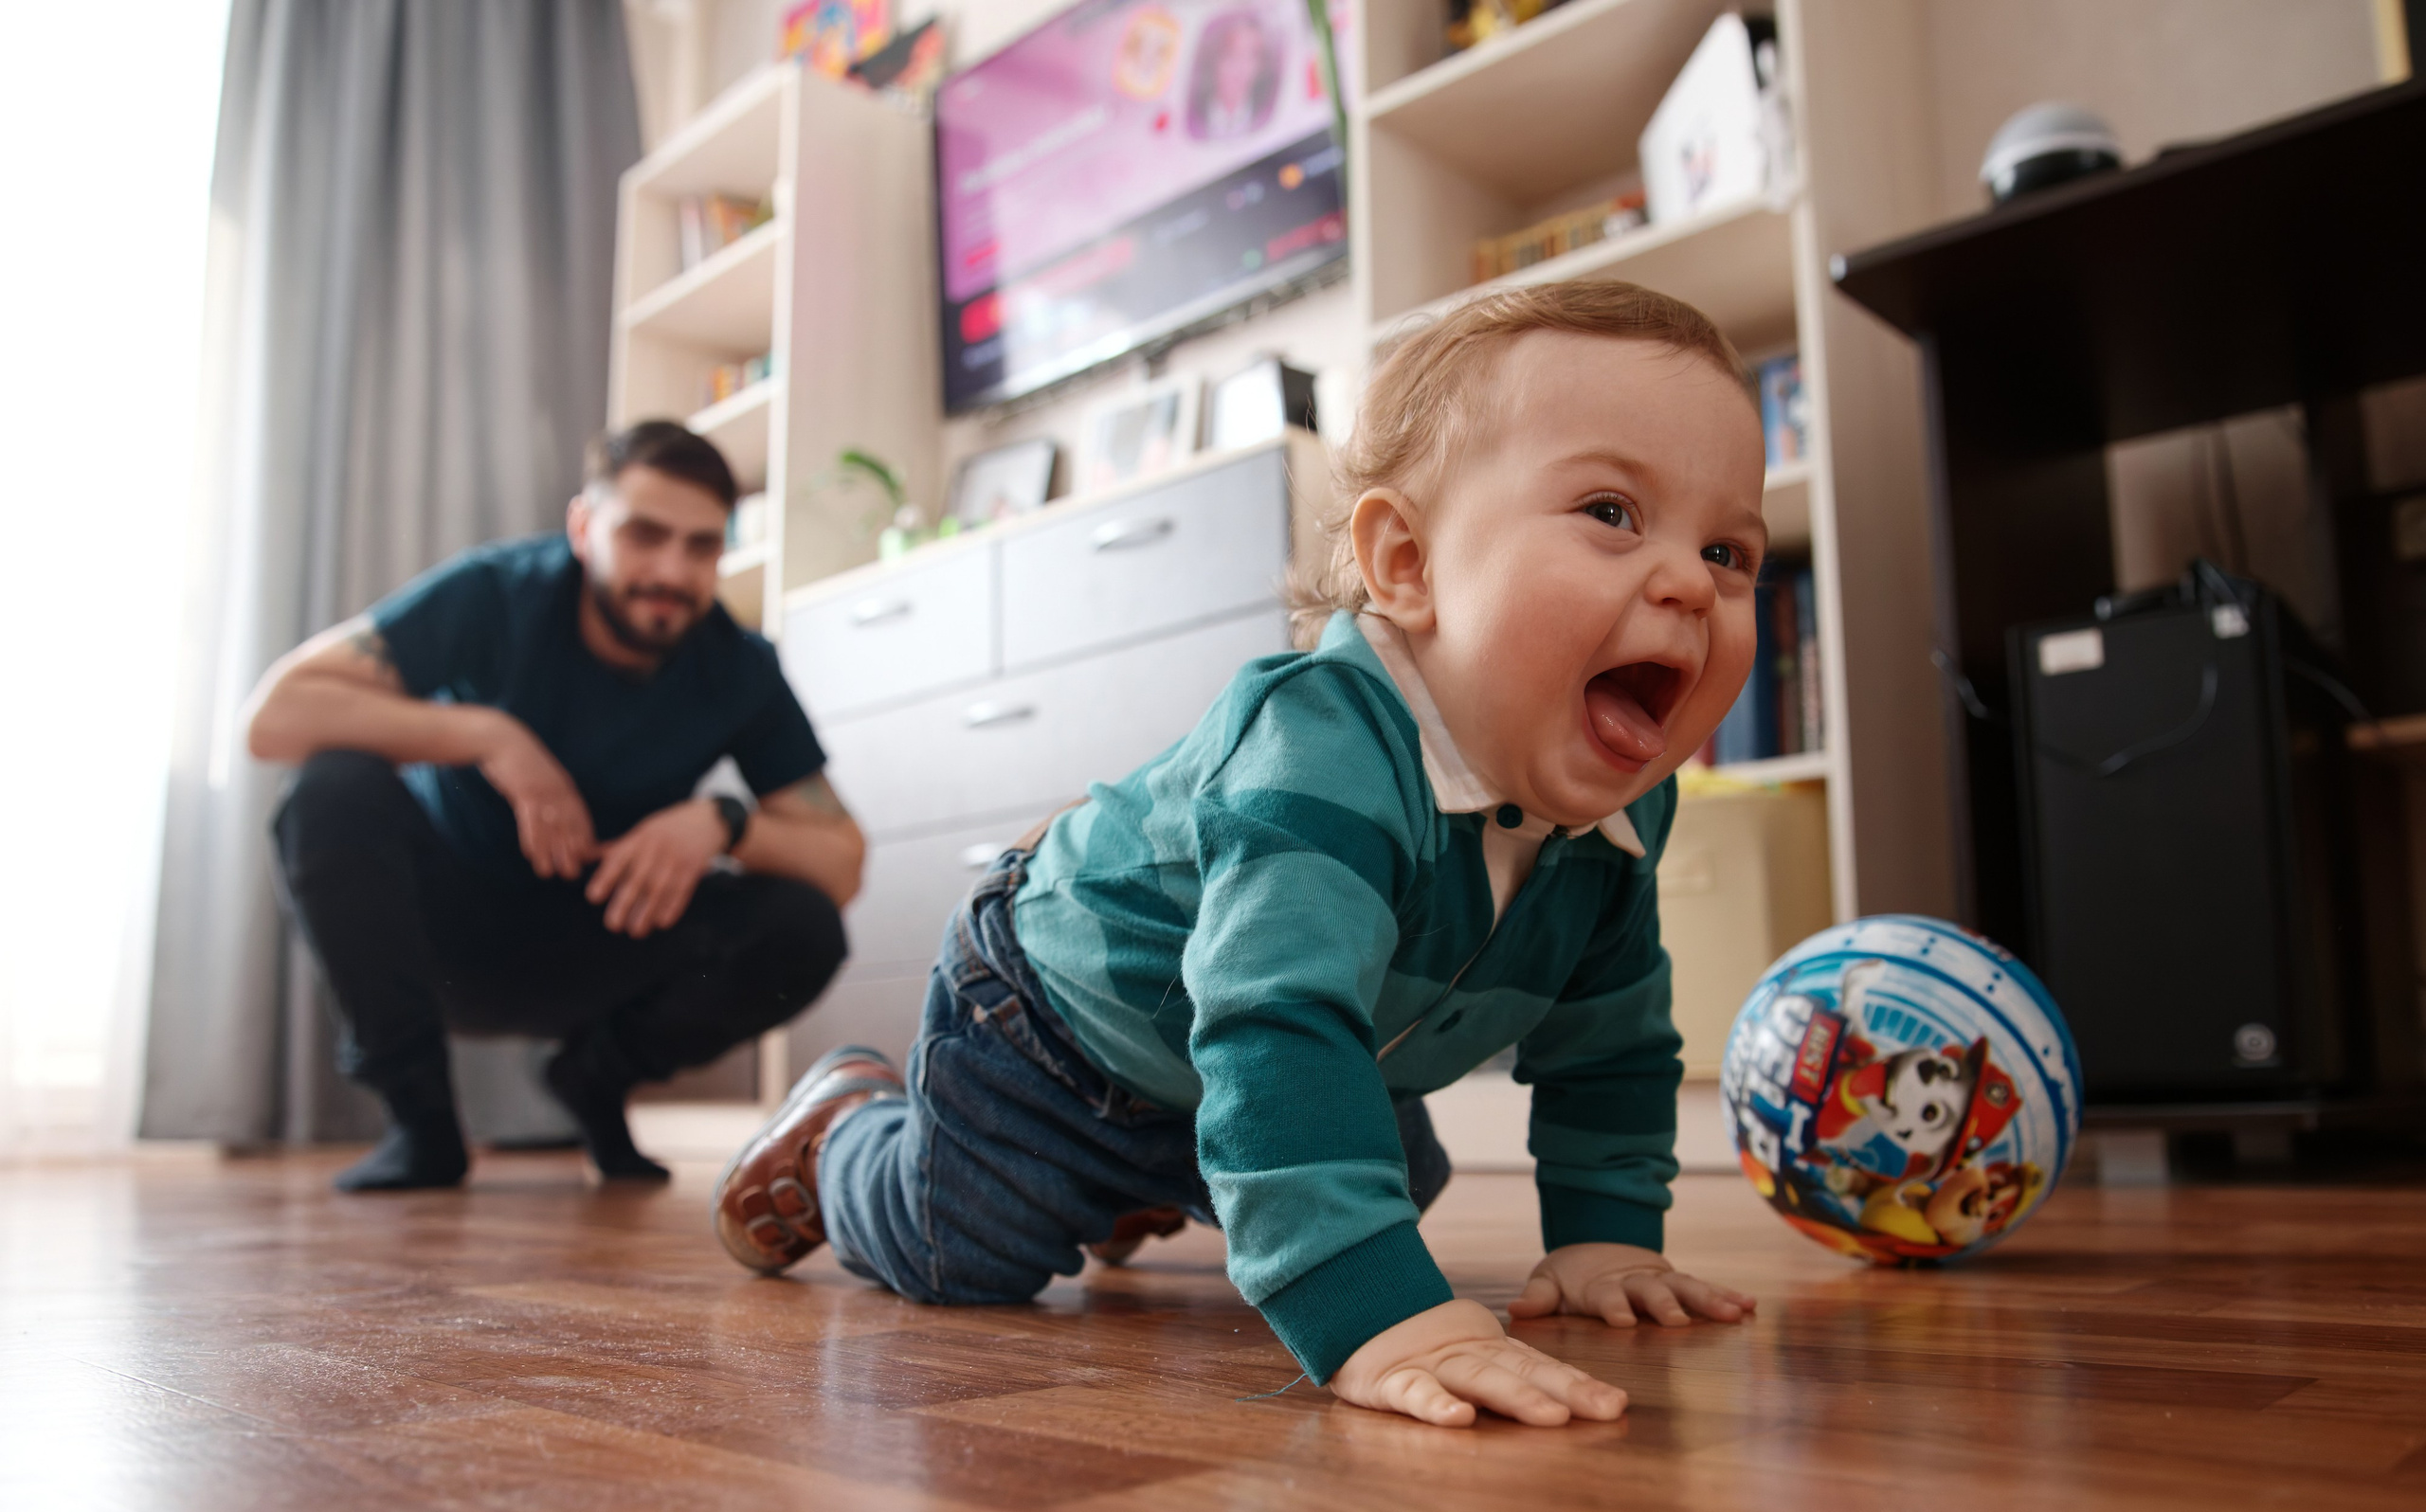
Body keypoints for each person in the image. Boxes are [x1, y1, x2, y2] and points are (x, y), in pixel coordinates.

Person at [713, 279, 1762, 1429]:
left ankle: (1136, 1187)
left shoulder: (1621, 819)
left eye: (1727, 550)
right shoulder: (1325, 743)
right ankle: (848, 1133)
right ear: (1406, 566)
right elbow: (1276, 1019)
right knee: (961, 1251)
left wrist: (1607, 1235)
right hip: (1056, 1019)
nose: (1685, 585)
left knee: (1392, 1181)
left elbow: (1610, 1044)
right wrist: (1372, 1313)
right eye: (1611, 512)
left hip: (1249, 1046)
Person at [245, 422, 862, 1192]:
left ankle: (595, 1078)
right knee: (332, 787)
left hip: (605, 932)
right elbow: (273, 718)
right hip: (446, 932)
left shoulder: (737, 665)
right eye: (645, 534)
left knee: (803, 925)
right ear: (582, 526)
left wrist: (723, 822)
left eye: (702, 546)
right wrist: (486, 735)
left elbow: (842, 862)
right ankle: (422, 1123)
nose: (673, 570)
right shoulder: (496, 593)